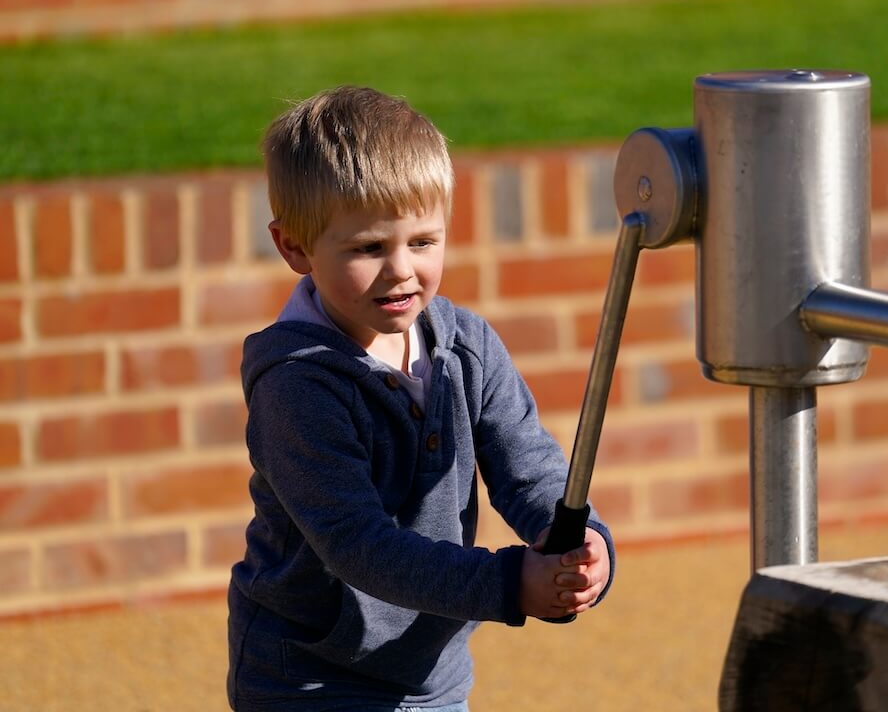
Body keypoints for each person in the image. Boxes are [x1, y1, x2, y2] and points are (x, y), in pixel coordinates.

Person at [226, 86, 615, 711]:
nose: (401, 269)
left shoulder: (466, 346)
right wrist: (511, 582)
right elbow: (359, 545)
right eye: (369, 248)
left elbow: (529, 469)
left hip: (430, 673)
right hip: (310, 675)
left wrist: (576, 538)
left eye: (423, 242)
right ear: (294, 246)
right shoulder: (298, 385)